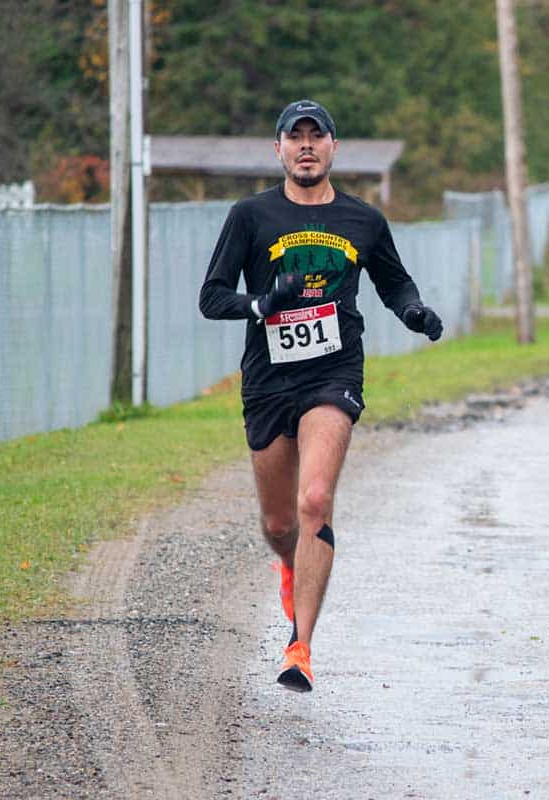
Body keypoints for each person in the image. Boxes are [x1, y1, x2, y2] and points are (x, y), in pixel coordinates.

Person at [198, 99, 443, 692]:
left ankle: (299, 648)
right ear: (278, 149)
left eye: (317, 136)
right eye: (295, 136)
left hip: (334, 373)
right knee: (280, 522)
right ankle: (290, 565)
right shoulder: (250, 216)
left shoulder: (363, 220)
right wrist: (261, 304)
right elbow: (212, 297)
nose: (306, 145)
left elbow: (394, 282)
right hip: (269, 380)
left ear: (334, 147)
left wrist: (412, 310)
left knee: (314, 500)